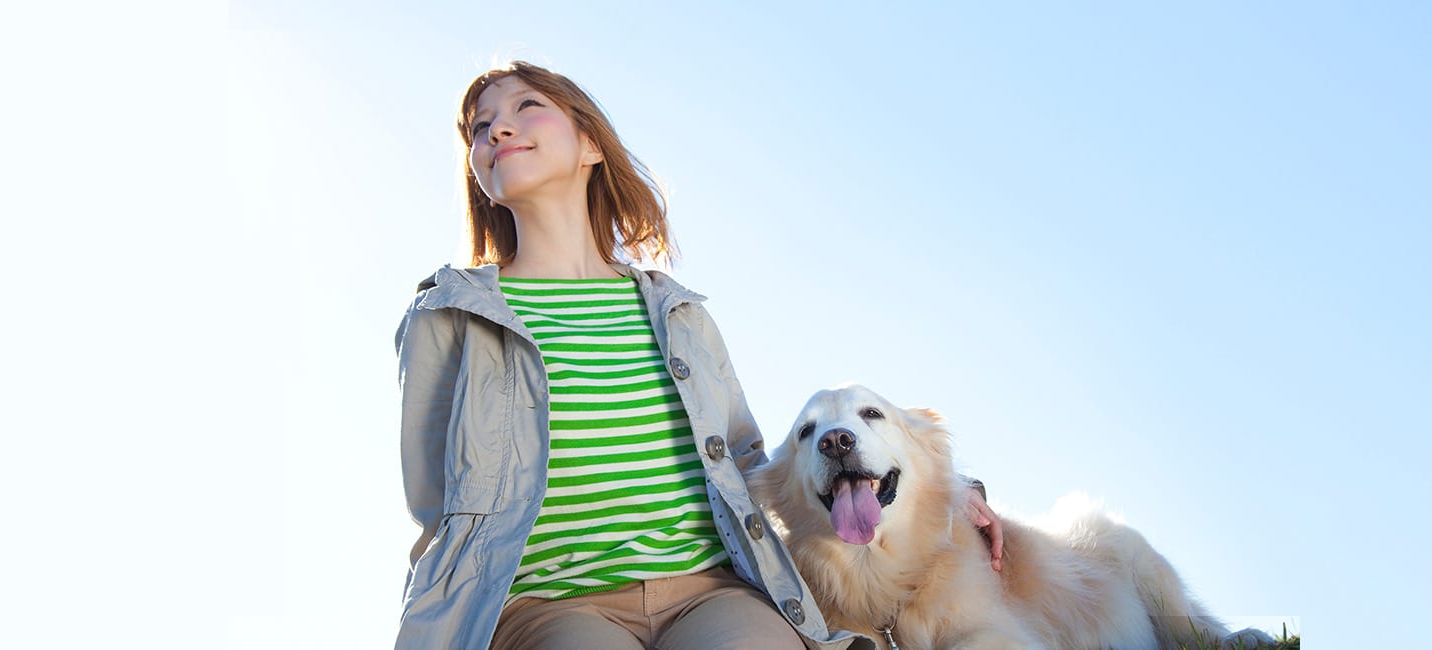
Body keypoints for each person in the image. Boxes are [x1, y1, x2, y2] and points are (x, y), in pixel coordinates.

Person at [393, 61, 1003, 649]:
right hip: (548, 605)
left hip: (710, 591)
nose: (497, 128)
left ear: (590, 145)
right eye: (479, 127)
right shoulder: (453, 317)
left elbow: (754, 467)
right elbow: (438, 510)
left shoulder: (679, 314)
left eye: (527, 106)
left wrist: (950, 486)